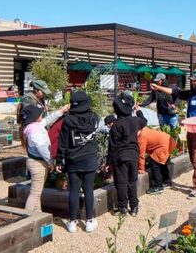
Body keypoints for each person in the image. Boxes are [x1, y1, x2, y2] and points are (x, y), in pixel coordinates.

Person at [151, 72, 196, 199]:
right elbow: (174, 92)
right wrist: (158, 87)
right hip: (191, 127)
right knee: (193, 157)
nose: (193, 83)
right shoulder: (191, 93)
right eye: (192, 80)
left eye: (195, 81)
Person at [56, 91, 100, 234]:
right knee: (88, 190)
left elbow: (62, 142)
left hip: (73, 159)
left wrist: (59, 160)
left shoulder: (67, 121)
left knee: (73, 191)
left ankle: (72, 222)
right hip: (90, 158)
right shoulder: (94, 118)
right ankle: (89, 221)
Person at [106, 92, 147, 216]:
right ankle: (134, 207)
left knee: (121, 182)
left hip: (120, 156)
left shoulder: (116, 125)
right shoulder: (135, 121)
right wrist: (138, 111)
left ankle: (123, 207)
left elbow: (112, 146)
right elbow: (144, 120)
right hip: (133, 155)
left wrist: (109, 163)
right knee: (132, 182)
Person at [21, 104, 65, 212]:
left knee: (37, 192)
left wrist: (61, 110)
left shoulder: (34, 125)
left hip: (36, 162)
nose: (42, 114)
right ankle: (26, 218)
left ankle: (37, 214)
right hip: (38, 164)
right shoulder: (35, 131)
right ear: (35, 117)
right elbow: (43, 149)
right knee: (34, 193)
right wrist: (51, 162)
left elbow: (48, 119)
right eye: (39, 113)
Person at [137, 123, 177, 195]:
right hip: (168, 141)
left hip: (162, 146)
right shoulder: (145, 130)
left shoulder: (142, 137)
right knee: (162, 163)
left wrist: (141, 168)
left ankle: (158, 186)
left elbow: (141, 154)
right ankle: (167, 181)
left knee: (154, 163)